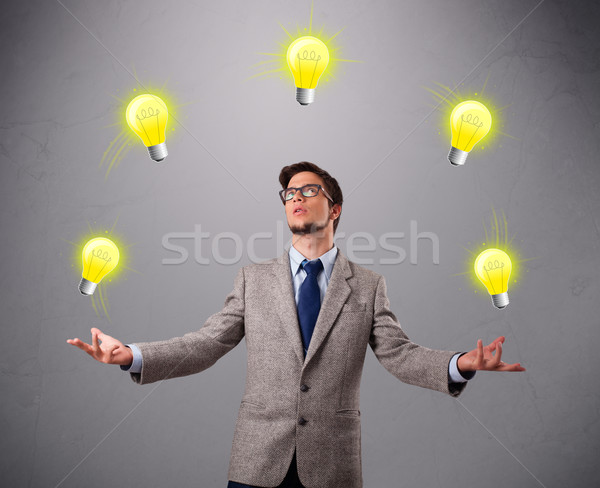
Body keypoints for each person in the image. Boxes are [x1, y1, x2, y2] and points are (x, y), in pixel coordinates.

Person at [68, 161, 525, 488]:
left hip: (333, 467)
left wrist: (461, 363)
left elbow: (399, 355)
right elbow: (206, 343)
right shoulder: (252, 279)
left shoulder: (367, 286)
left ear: (336, 208)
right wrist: (132, 354)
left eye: (309, 191)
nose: (296, 198)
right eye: (289, 193)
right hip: (256, 463)